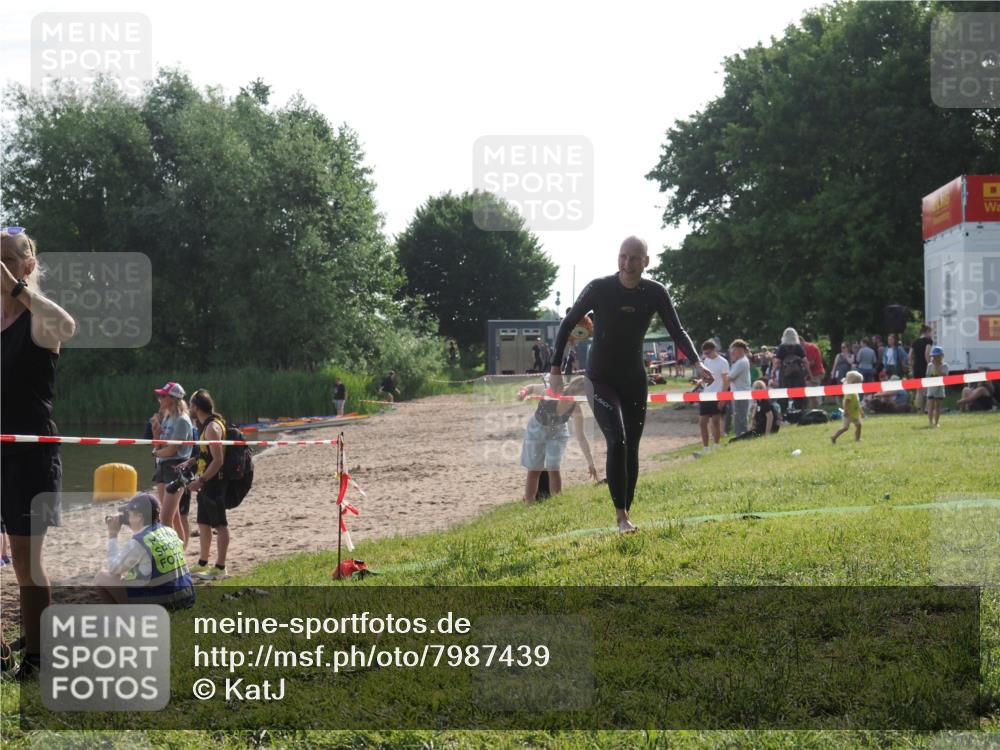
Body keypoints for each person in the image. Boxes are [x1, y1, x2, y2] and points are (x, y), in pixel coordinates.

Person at [550, 236, 708, 534]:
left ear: (646, 261)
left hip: (634, 379)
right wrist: (556, 367)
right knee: (617, 440)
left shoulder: (655, 292)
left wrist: (697, 362)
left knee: (632, 447)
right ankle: (621, 516)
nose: (627, 263)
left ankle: (626, 513)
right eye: (623, 256)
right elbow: (568, 321)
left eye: (634, 258)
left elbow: (677, 331)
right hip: (600, 378)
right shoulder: (600, 288)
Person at [1, 227, 76, 680]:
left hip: (32, 454)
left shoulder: (39, 321)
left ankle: (38, 656)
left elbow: (67, 326)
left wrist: (18, 290)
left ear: (28, 265)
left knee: (27, 564)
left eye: (7, 257)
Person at [94, 492, 195, 610]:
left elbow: (113, 568)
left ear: (139, 517)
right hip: (186, 598)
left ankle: (121, 618)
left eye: (129, 514)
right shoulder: (169, 531)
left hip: (163, 604)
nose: (127, 518)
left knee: (101, 577)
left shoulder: (138, 542)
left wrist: (112, 535)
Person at [517, 377, 598, 503]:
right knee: (534, 470)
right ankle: (529, 503)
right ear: (578, 392)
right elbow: (531, 388)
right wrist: (522, 393)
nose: (585, 400)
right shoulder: (552, 392)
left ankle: (557, 503)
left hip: (558, 432)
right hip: (537, 429)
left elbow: (581, 437)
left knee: (553, 468)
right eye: (585, 395)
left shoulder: (576, 408)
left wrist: (590, 463)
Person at [181, 389, 230, 580]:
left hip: (214, 482)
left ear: (196, 406)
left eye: (191, 405)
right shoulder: (205, 426)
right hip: (205, 482)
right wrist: (191, 461)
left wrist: (200, 480)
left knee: (220, 524)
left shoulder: (212, 427)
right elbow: (206, 453)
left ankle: (220, 567)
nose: (190, 409)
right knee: (203, 523)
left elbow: (218, 460)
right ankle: (203, 562)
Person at [150, 381, 193, 547]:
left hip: (175, 467)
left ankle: (174, 555)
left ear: (173, 398)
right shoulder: (168, 418)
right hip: (163, 466)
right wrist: (156, 431)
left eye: (163, 396)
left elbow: (172, 450)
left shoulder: (182, 420)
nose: (159, 398)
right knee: (172, 516)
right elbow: (160, 445)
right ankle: (180, 551)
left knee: (165, 517)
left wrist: (155, 453)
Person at [694, 340, 730, 456]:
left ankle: (716, 444)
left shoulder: (723, 362)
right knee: (702, 422)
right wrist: (700, 381)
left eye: (708, 353)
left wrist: (723, 398)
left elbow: (726, 381)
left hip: (717, 395)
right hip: (706, 394)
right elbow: (706, 377)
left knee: (715, 421)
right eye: (704, 353)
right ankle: (705, 448)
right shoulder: (706, 361)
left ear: (714, 350)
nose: (706, 355)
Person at [772, 327, 808, 414]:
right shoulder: (798, 347)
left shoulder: (782, 347)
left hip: (785, 375)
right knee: (798, 395)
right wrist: (808, 373)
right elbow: (805, 361)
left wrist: (773, 372)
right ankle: (799, 413)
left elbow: (777, 362)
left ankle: (784, 414)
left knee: (783, 395)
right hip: (798, 375)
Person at [727, 340, 752, 437]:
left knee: (740, 416)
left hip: (741, 393)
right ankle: (740, 435)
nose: (732, 352)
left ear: (741, 350)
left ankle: (742, 435)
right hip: (738, 393)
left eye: (735, 350)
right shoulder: (739, 361)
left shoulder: (742, 362)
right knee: (738, 416)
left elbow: (730, 377)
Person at [831, 371, 864, 443]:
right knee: (845, 427)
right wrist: (846, 411)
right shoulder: (850, 392)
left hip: (854, 414)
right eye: (859, 383)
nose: (860, 385)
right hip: (848, 414)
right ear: (853, 383)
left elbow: (857, 403)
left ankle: (857, 439)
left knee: (859, 425)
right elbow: (846, 402)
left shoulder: (855, 391)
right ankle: (834, 436)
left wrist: (861, 411)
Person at [909, 325, 934, 411]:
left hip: (916, 367)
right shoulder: (929, 341)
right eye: (931, 332)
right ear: (927, 332)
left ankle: (919, 408)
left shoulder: (915, 342)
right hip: (924, 366)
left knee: (919, 389)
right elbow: (927, 353)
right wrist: (930, 364)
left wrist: (911, 368)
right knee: (927, 388)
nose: (931, 334)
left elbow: (910, 356)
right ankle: (927, 408)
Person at [925, 346, 948, 427]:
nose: (935, 358)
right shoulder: (929, 366)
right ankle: (930, 422)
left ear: (941, 356)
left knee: (937, 405)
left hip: (939, 388)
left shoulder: (944, 366)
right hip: (931, 388)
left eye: (937, 356)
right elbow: (927, 376)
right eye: (934, 356)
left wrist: (937, 367)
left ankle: (936, 422)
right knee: (930, 405)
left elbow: (944, 376)